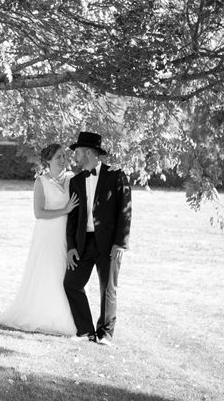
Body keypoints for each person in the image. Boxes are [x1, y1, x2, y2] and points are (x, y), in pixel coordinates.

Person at [0, 143, 79, 335]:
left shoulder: (73, 178)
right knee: (49, 271)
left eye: (64, 156)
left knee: (66, 272)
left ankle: (72, 315)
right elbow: (38, 213)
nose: (63, 160)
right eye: (59, 157)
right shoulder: (41, 181)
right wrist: (65, 210)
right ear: (48, 160)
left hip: (67, 234)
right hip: (47, 234)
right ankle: (44, 314)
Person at [64, 131, 132, 346]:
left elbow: (125, 211)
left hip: (110, 243)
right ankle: (86, 330)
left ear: (87, 152)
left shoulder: (116, 175)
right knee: (71, 283)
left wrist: (121, 243)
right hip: (84, 243)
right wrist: (71, 247)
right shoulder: (76, 181)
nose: (74, 156)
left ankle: (105, 333)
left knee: (108, 289)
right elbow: (72, 217)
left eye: (77, 152)